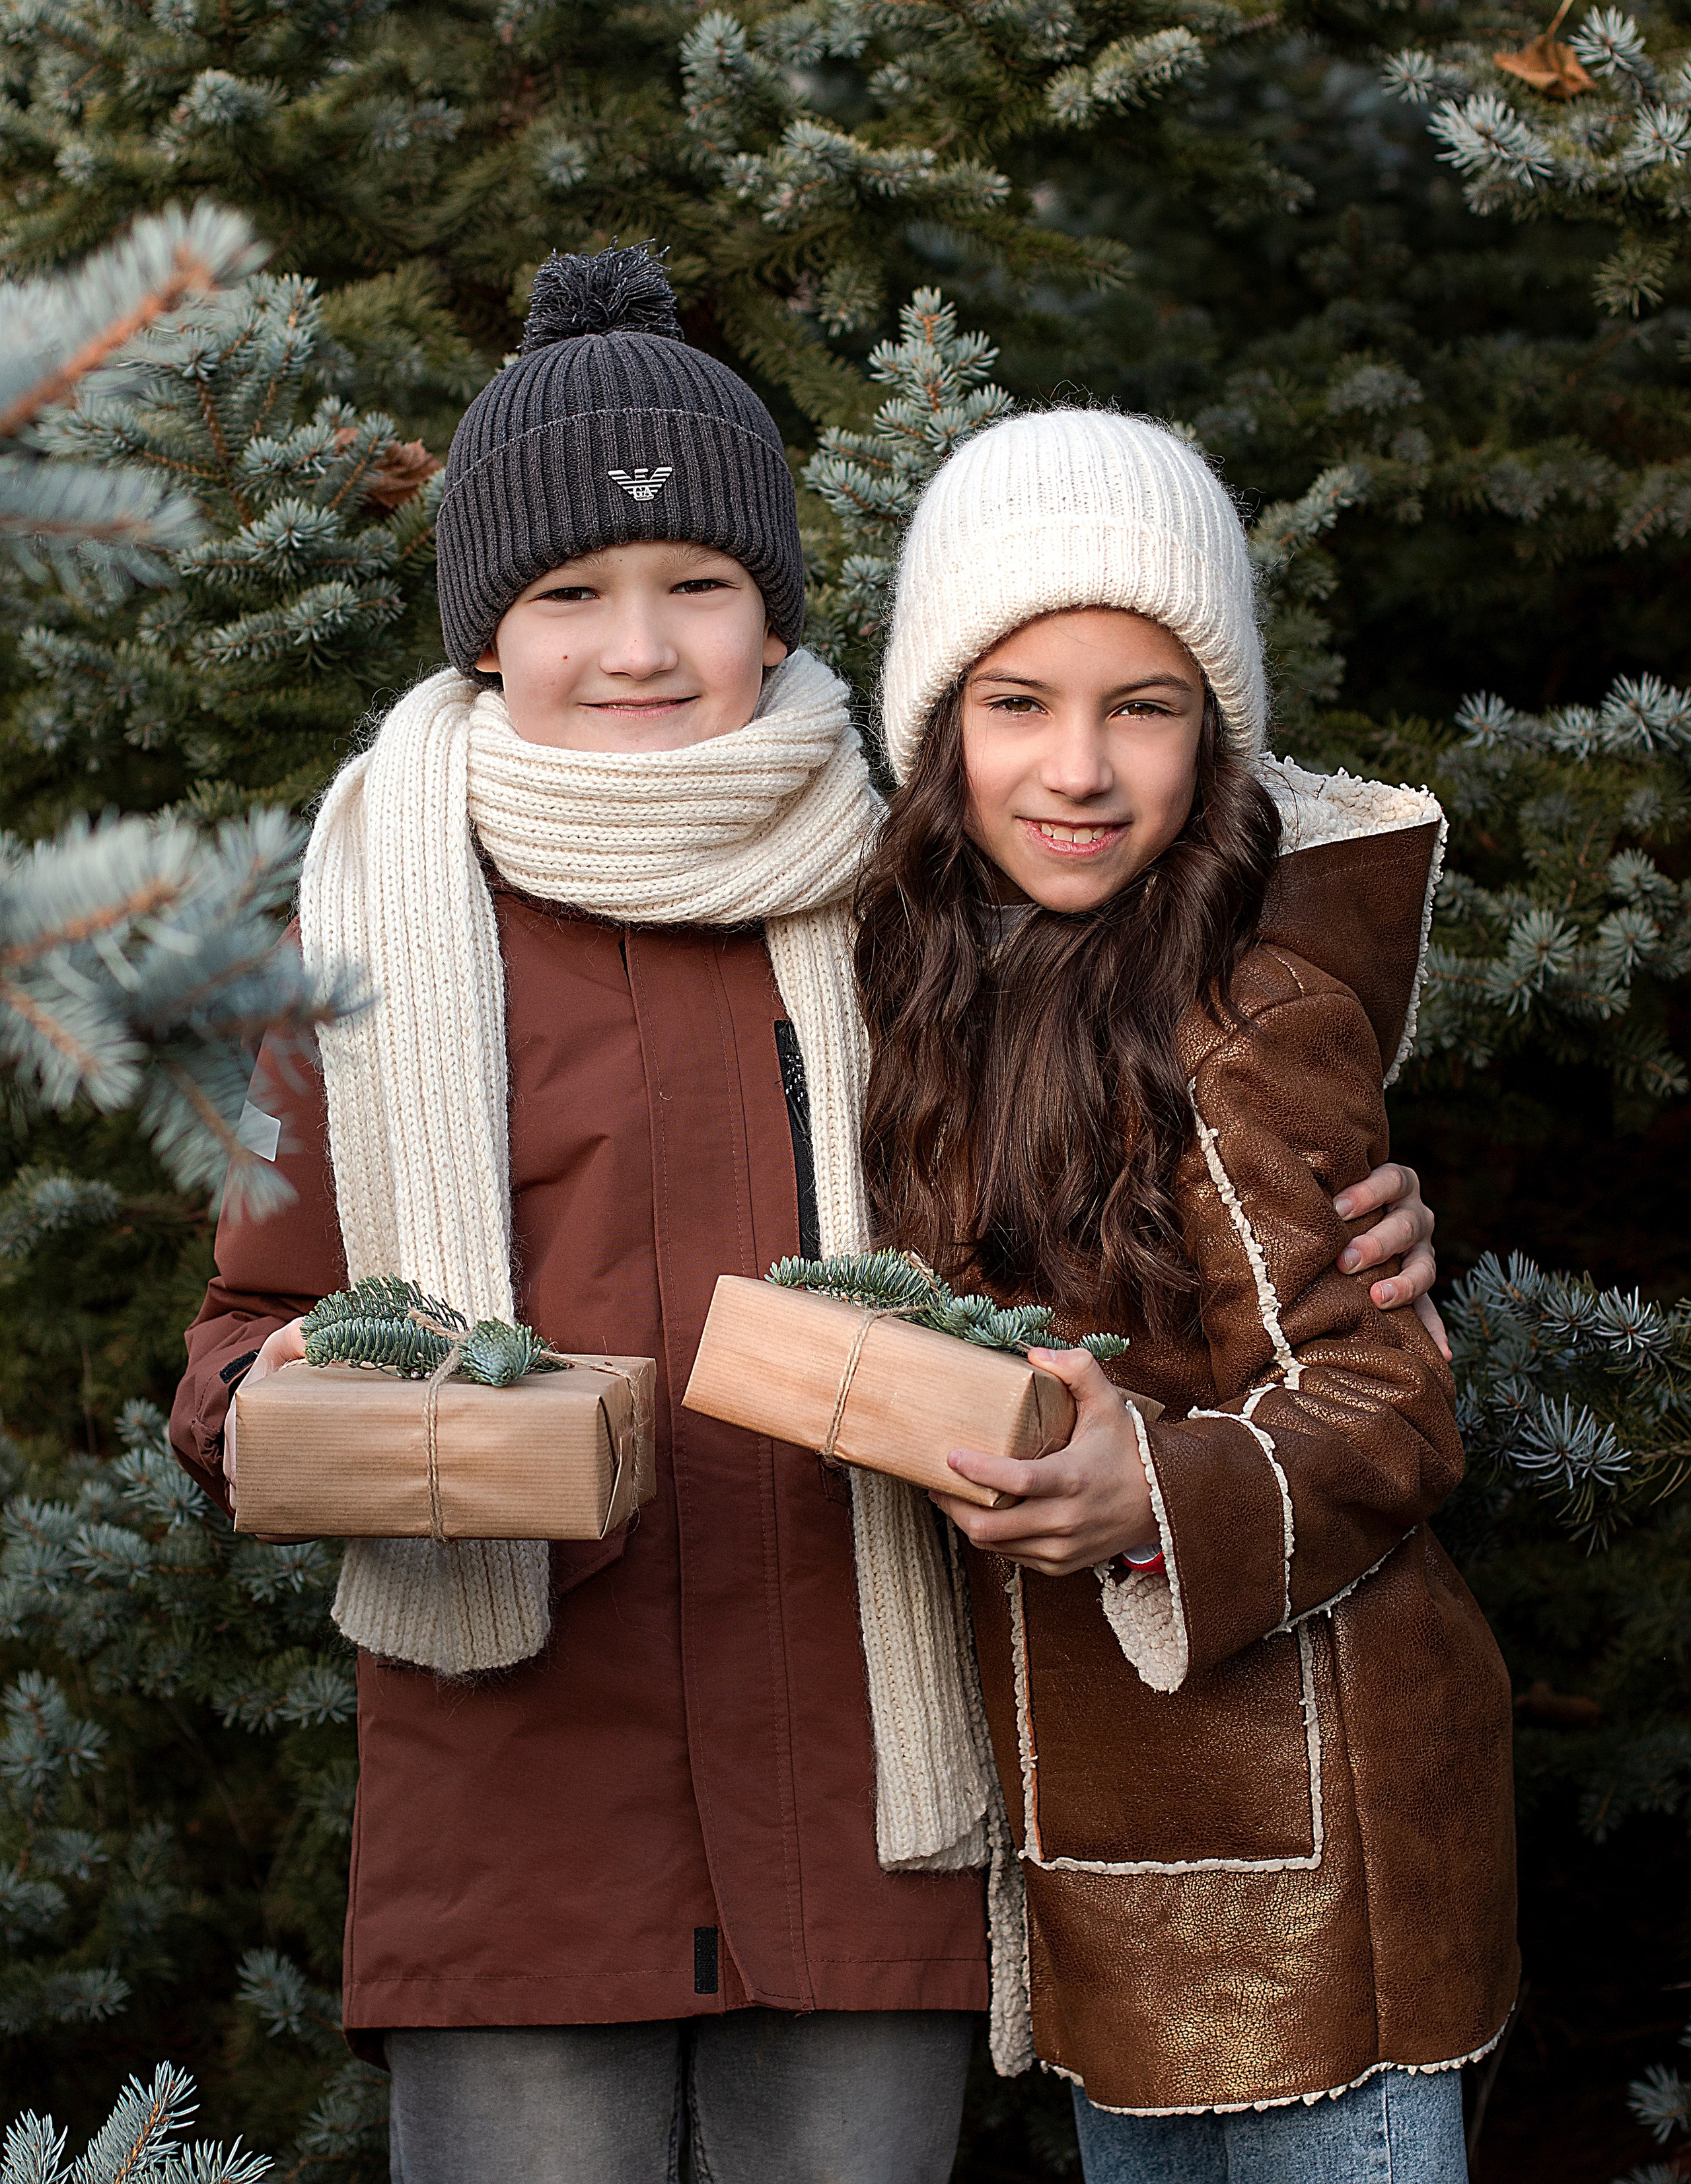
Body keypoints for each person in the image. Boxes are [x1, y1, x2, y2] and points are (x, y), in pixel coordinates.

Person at [171, 253, 1447, 2184]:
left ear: (774, 615)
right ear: (482, 631)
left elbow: (1158, 1132)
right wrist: (299, 1406)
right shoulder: (359, 947)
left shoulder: (909, 907)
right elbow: (237, 1349)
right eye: (568, 595)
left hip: (867, 1807)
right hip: (518, 1821)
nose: (638, 645)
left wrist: (1362, 1213)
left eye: (699, 585)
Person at [853, 407, 1518, 2184]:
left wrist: (1154, 1490)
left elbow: (1386, 1409)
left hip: (1315, 1864)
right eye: (1017, 704)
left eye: (1140, 705)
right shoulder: (944, 1003)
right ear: (937, 735)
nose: (1078, 766)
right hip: (1118, 1848)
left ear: (1214, 735)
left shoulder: (1241, 1018)